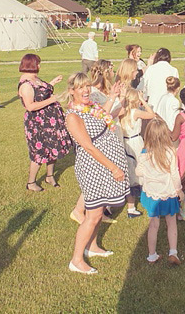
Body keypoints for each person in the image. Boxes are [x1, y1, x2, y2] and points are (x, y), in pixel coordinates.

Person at [64, 73, 129, 275]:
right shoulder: (73, 116)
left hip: (103, 166)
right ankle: (76, 260)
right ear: (71, 91)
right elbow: (89, 147)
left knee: (99, 212)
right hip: (93, 168)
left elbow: (103, 118)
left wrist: (112, 96)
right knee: (91, 215)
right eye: (80, 87)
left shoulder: (90, 107)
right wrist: (113, 167)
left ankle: (92, 247)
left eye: (87, 86)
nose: (85, 90)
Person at [17, 54, 72, 191]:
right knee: (39, 152)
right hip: (37, 124)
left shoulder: (34, 78)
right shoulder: (25, 84)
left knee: (53, 147)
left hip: (50, 121)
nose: (40, 66)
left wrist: (52, 82)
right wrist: (52, 100)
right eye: (38, 63)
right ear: (31, 65)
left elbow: (42, 91)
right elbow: (30, 106)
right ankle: (31, 183)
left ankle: (49, 176)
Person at [137, 118, 182, 265]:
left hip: (152, 194)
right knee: (171, 223)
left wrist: (144, 171)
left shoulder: (144, 153)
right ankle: (173, 252)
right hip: (168, 193)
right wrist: (179, 190)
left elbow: (138, 172)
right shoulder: (170, 152)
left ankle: (151, 255)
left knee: (153, 225)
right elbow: (174, 174)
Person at [119, 88, 156, 216]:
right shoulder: (135, 112)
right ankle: (143, 200)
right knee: (140, 170)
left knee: (129, 173)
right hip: (135, 143)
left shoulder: (121, 111)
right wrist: (143, 101)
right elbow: (152, 114)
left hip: (124, 142)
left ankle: (130, 206)